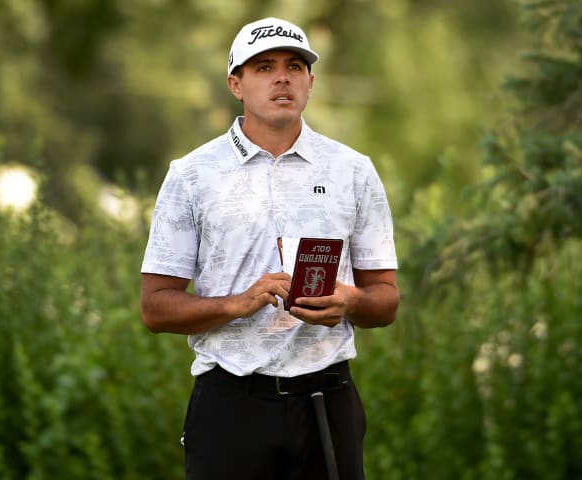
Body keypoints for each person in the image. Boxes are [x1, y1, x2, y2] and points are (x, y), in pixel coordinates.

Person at [140, 16, 399, 480]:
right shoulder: (191, 175)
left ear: (310, 82)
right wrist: (238, 304)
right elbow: (156, 309)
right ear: (235, 83)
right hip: (231, 405)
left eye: (295, 66)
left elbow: (385, 301)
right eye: (263, 67)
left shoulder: (354, 171)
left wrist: (351, 301)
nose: (282, 77)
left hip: (328, 400)